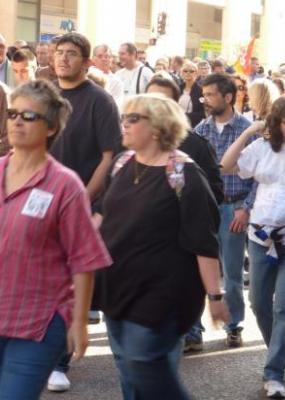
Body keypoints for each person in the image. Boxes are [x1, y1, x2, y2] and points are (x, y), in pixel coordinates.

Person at [92, 93, 229, 400]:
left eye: (133, 119)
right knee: (129, 369)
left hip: (163, 293)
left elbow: (204, 241)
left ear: (157, 127)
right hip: (116, 285)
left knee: (143, 363)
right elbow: (101, 214)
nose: (124, 125)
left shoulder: (184, 174)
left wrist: (215, 296)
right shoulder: (121, 163)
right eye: (123, 118)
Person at [0, 79, 111, 400]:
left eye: (29, 116)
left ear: (51, 128)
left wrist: (79, 323)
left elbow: (84, 258)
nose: (17, 121)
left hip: (38, 325)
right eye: (12, 113)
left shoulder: (64, 185)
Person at [221, 96, 285, 399]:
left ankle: (274, 373)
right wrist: (249, 132)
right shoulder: (261, 147)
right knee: (259, 302)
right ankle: (281, 344)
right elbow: (226, 166)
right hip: (261, 236)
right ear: (275, 123)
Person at [47, 31, 121, 392]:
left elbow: (110, 156)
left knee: (67, 282)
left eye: (72, 53)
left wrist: (82, 198)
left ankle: (59, 361)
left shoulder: (100, 101)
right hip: (40, 200)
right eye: (59, 52)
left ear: (87, 61)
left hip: (81, 203)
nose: (63, 58)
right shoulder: (43, 95)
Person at [194, 73, 255, 348]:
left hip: (234, 208)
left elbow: (260, 176)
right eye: (203, 95)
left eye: (210, 95)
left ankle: (234, 324)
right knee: (196, 270)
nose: (204, 100)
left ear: (228, 97)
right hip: (205, 210)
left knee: (231, 274)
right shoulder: (200, 130)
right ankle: (192, 332)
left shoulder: (248, 129)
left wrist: (245, 208)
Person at [146, 76, 223, 204]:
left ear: (174, 105)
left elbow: (214, 194)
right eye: (149, 100)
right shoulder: (131, 141)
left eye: (163, 101)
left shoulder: (196, 145)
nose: (154, 107)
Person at [92, 44, 124, 109]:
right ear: (93, 59)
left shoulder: (117, 82)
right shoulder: (84, 76)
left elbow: (116, 106)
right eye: (100, 56)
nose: (104, 59)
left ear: (111, 59)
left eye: (107, 56)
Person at [179, 61, 205, 127]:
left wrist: (186, 116)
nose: (188, 73)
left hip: (193, 126)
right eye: (185, 71)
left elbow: (203, 113)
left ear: (196, 73)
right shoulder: (177, 88)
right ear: (181, 73)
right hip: (177, 125)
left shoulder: (201, 91)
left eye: (191, 71)